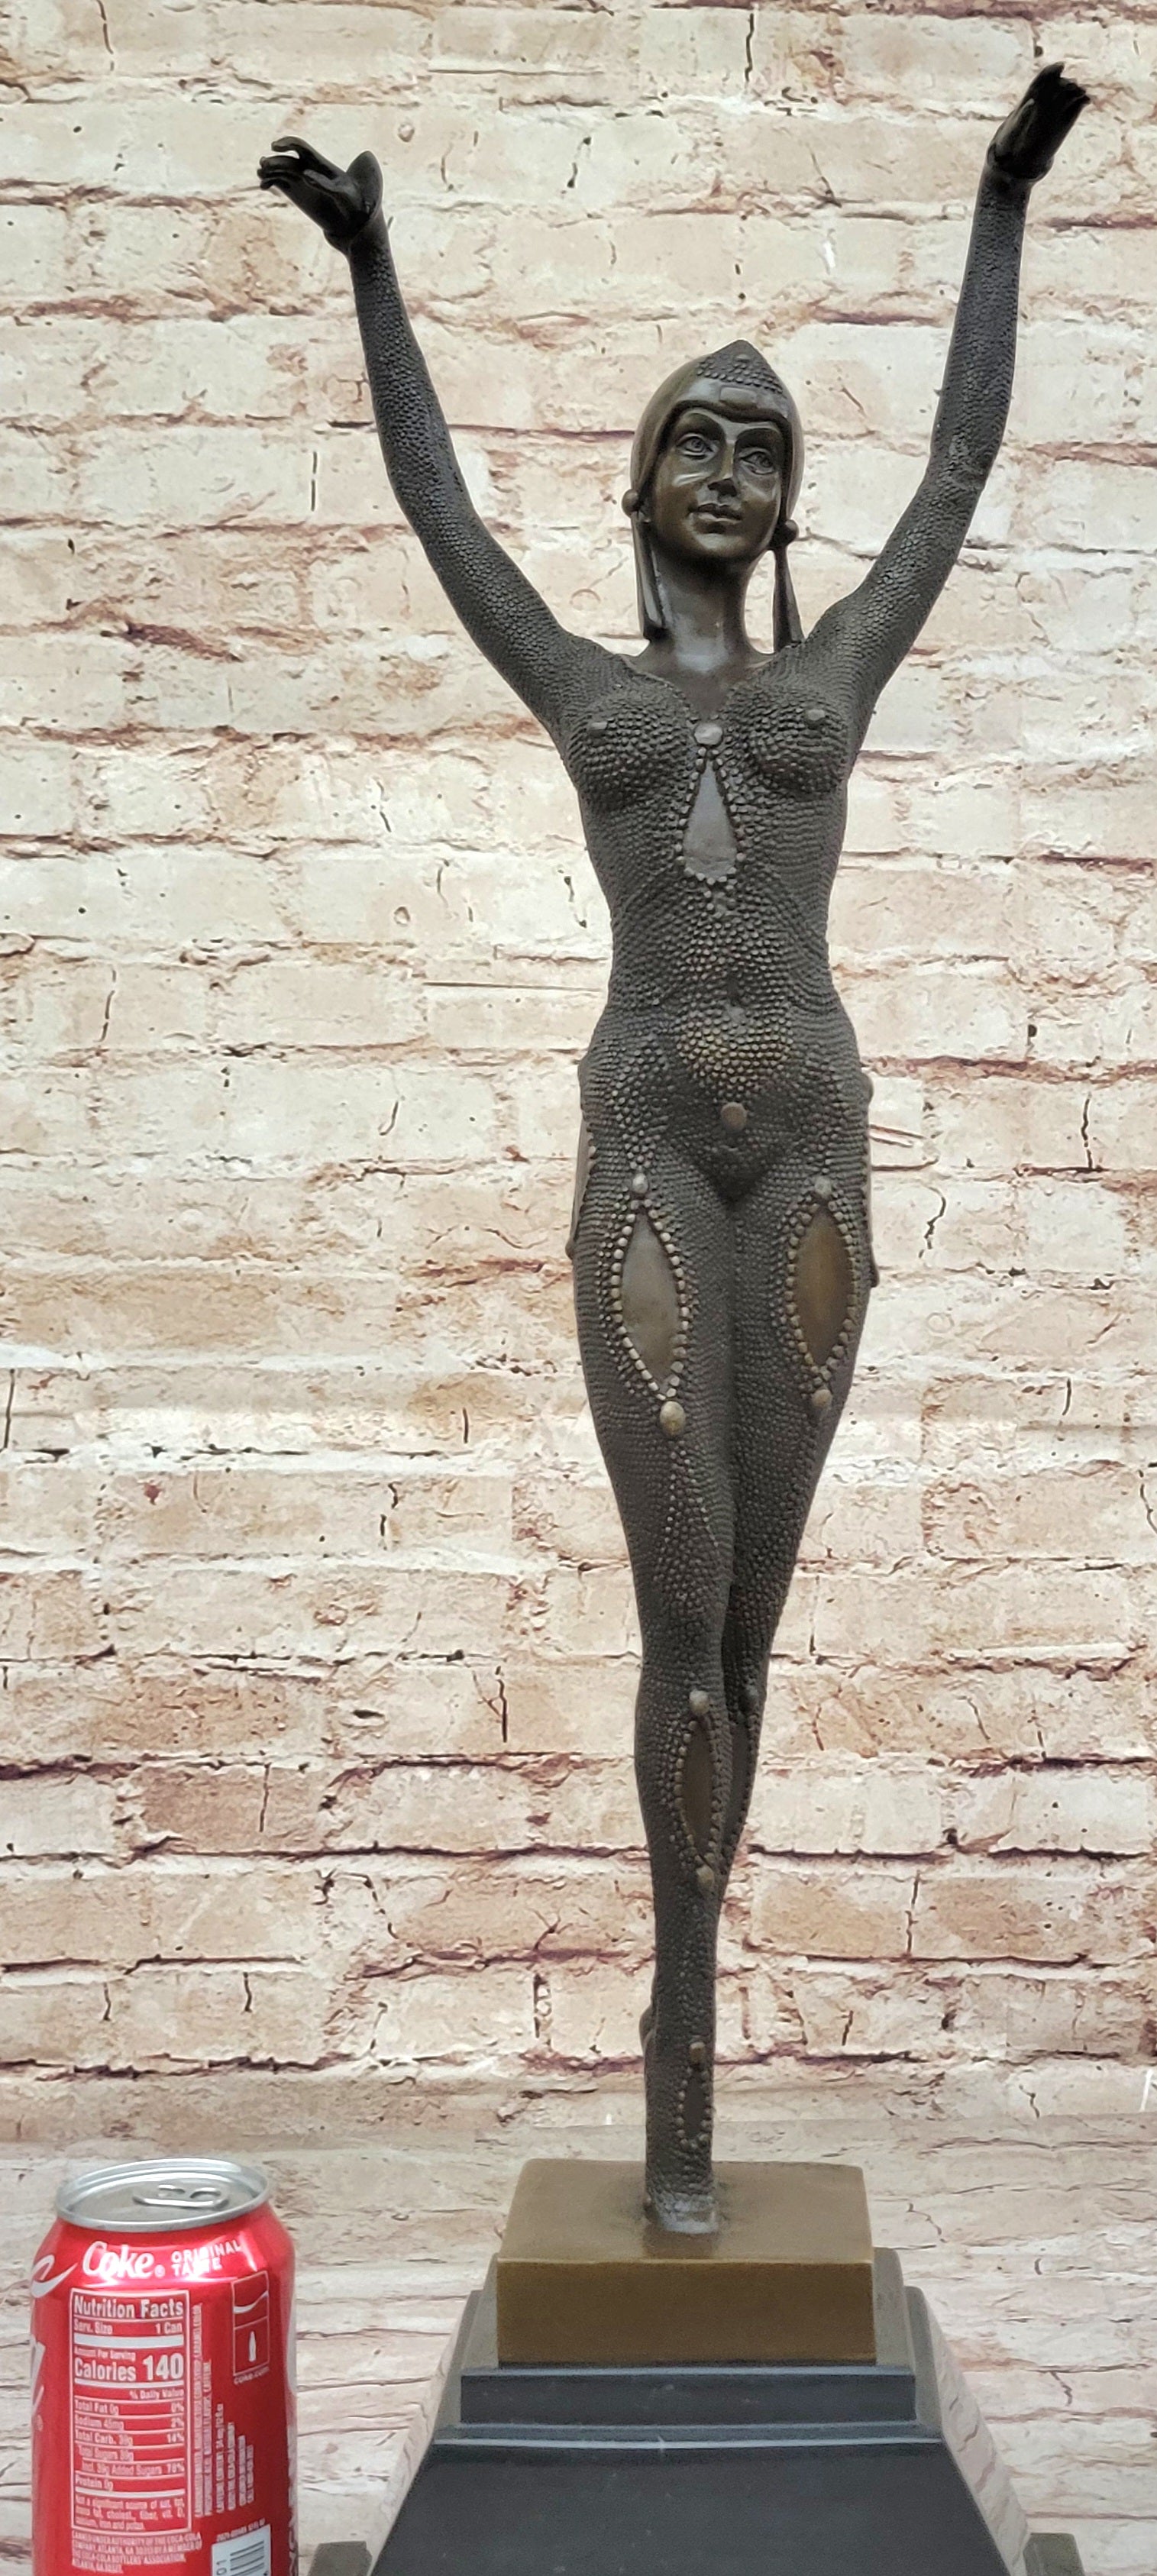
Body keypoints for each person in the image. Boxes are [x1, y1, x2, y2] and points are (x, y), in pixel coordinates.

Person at [260, 64, 1087, 2231]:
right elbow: (441, 516)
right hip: (646, 1152)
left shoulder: (840, 670)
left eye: (764, 452)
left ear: (788, 504)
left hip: (810, 1163)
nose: (731, 473)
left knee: (756, 1613)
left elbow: (962, 461)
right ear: (639, 482)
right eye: (699, 443)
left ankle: (692, 2010)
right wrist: (376, 270)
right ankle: (685, 2025)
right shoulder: (582, 684)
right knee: (679, 1598)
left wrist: (1000, 202)